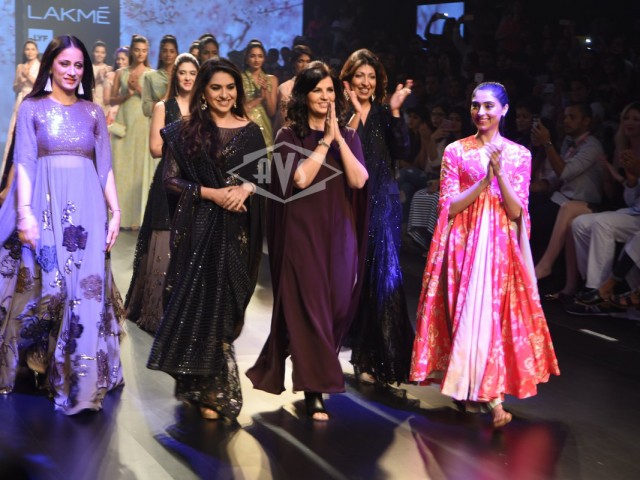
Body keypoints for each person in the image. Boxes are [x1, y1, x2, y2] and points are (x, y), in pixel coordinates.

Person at [410, 82, 559, 428]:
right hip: (462, 242)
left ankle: (491, 398)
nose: (481, 112)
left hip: (499, 246)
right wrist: (482, 182)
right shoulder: (456, 150)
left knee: (490, 317)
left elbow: (516, 211)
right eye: (476, 105)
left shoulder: (519, 155)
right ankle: (473, 389)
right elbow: (449, 206)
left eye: (489, 106)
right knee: (464, 315)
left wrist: (500, 175)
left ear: (504, 110)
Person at [0, 35, 124, 414]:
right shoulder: (32, 107)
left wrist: (116, 211)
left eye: (78, 65)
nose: (72, 71)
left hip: (88, 208)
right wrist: (25, 213)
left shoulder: (93, 112)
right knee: (48, 287)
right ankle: (39, 363)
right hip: (45, 204)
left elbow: (104, 166)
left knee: (85, 291)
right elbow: (24, 161)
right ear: (51, 65)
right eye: (65, 63)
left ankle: (80, 382)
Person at [246, 61, 369, 421]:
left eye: (330, 90)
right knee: (311, 307)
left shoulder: (349, 136)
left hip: (340, 233)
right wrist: (325, 141)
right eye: (318, 90)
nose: (325, 97)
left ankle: (311, 363)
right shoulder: (289, 135)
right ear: (304, 96)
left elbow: (359, 180)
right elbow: (300, 179)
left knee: (339, 306)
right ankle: (314, 388)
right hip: (302, 234)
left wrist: (339, 139)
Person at [147, 58, 265, 421]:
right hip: (198, 228)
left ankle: (202, 382)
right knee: (200, 303)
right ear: (204, 91)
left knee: (227, 305)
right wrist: (212, 193)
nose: (224, 95)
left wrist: (244, 189)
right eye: (216, 88)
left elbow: (264, 177)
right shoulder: (186, 131)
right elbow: (170, 180)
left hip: (238, 231)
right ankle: (210, 389)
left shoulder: (251, 132)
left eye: (230, 88)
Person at [339, 48, 415, 385]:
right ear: (349, 80)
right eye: (360, 76)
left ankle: (385, 357)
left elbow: (404, 150)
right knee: (357, 279)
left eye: (371, 77)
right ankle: (362, 352)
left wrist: (396, 111)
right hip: (350, 202)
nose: (366, 82)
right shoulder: (339, 113)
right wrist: (356, 114)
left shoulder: (385, 113)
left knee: (384, 277)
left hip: (383, 203)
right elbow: (340, 149)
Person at [125, 53, 199, 333]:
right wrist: (186, 142)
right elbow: (155, 148)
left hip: (197, 180)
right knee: (164, 240)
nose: (188, 78)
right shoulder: (163, 106)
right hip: (169, 179)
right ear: (175, 76)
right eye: (183, 72)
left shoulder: (205, 107)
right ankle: (157, 312)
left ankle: (186, 313)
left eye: (193, 73)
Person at [564, 102, 640, 301]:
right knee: (579, 224)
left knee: (602, 223)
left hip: (635, 217)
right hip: (633, 211)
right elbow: (630, 198)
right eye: (626, 118)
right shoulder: (624, 149)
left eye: (636, 119)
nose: (630, 123)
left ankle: (598, 292)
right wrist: (632, 182)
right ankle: (590, 285)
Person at [530, 103, 604, 286]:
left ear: (586, 121)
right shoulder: (568, 142)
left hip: (583, 203)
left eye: (572, 117)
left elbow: (565, 172)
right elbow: (556, 176)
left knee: (536, 221)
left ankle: (540, 275)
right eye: (564, 117)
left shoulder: (592, 146)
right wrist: (538, 185)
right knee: (527, 210)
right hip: (561, 198)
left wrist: (547, 143)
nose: (566, 121)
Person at [109, 35, 151, 229]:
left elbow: (155, 102)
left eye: (144, 50)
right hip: (124, 123)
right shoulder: (121, 73)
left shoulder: (151, 74)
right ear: (131, 51)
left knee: (140, 170)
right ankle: (121, 217)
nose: (140, 54)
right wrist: (128, 94)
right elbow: (112, 100)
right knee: (122, 169)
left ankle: (138, 218)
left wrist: (139, 89)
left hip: (143, 123)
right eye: (137, 50)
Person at [1, 40, 40, 181]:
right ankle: (10, 173)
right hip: (21, 100)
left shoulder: (40, 66)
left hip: (34, 101)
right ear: (24, 51)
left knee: (32, 134)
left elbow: (40, 86)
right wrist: (21, 81)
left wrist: (27, 75)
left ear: (37, 51)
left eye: (32, 49)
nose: (30, 52)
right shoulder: (20, 66)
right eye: (27, 49)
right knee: (15, 133)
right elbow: (15, 87)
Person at [242, 39, 278, 149]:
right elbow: (239, 111)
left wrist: (266, 93)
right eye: (252, 56)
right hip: (245, 127)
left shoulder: (271, 80)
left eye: (260, 56)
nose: (256, 60)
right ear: (246, 59)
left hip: (265, 128)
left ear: (264, 59)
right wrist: (259, 98)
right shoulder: (239, 78)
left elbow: (272, 112)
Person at [273, 44, 312, 133]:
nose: (305, 65)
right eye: (300, 61)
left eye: (308, 61)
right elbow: (284, 120)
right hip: (292, 134)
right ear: (294, 63)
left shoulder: (317, 85)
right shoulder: (285, 88)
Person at [102, 46, 129, 125]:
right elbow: (106, 100)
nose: (120, 62)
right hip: (115, 114)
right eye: (118, 59)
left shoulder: (134, 76)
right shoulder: (110, 76)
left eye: (123, 59)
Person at [91, 40, 113, 115]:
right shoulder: (88, 69)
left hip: (106, 107)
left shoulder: (109, 69)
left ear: (105, 54)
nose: (99, 55)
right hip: (92, 104)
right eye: (97, 52)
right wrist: (97, 79)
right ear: (93, 53)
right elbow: (85, 89)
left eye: (102, 52)